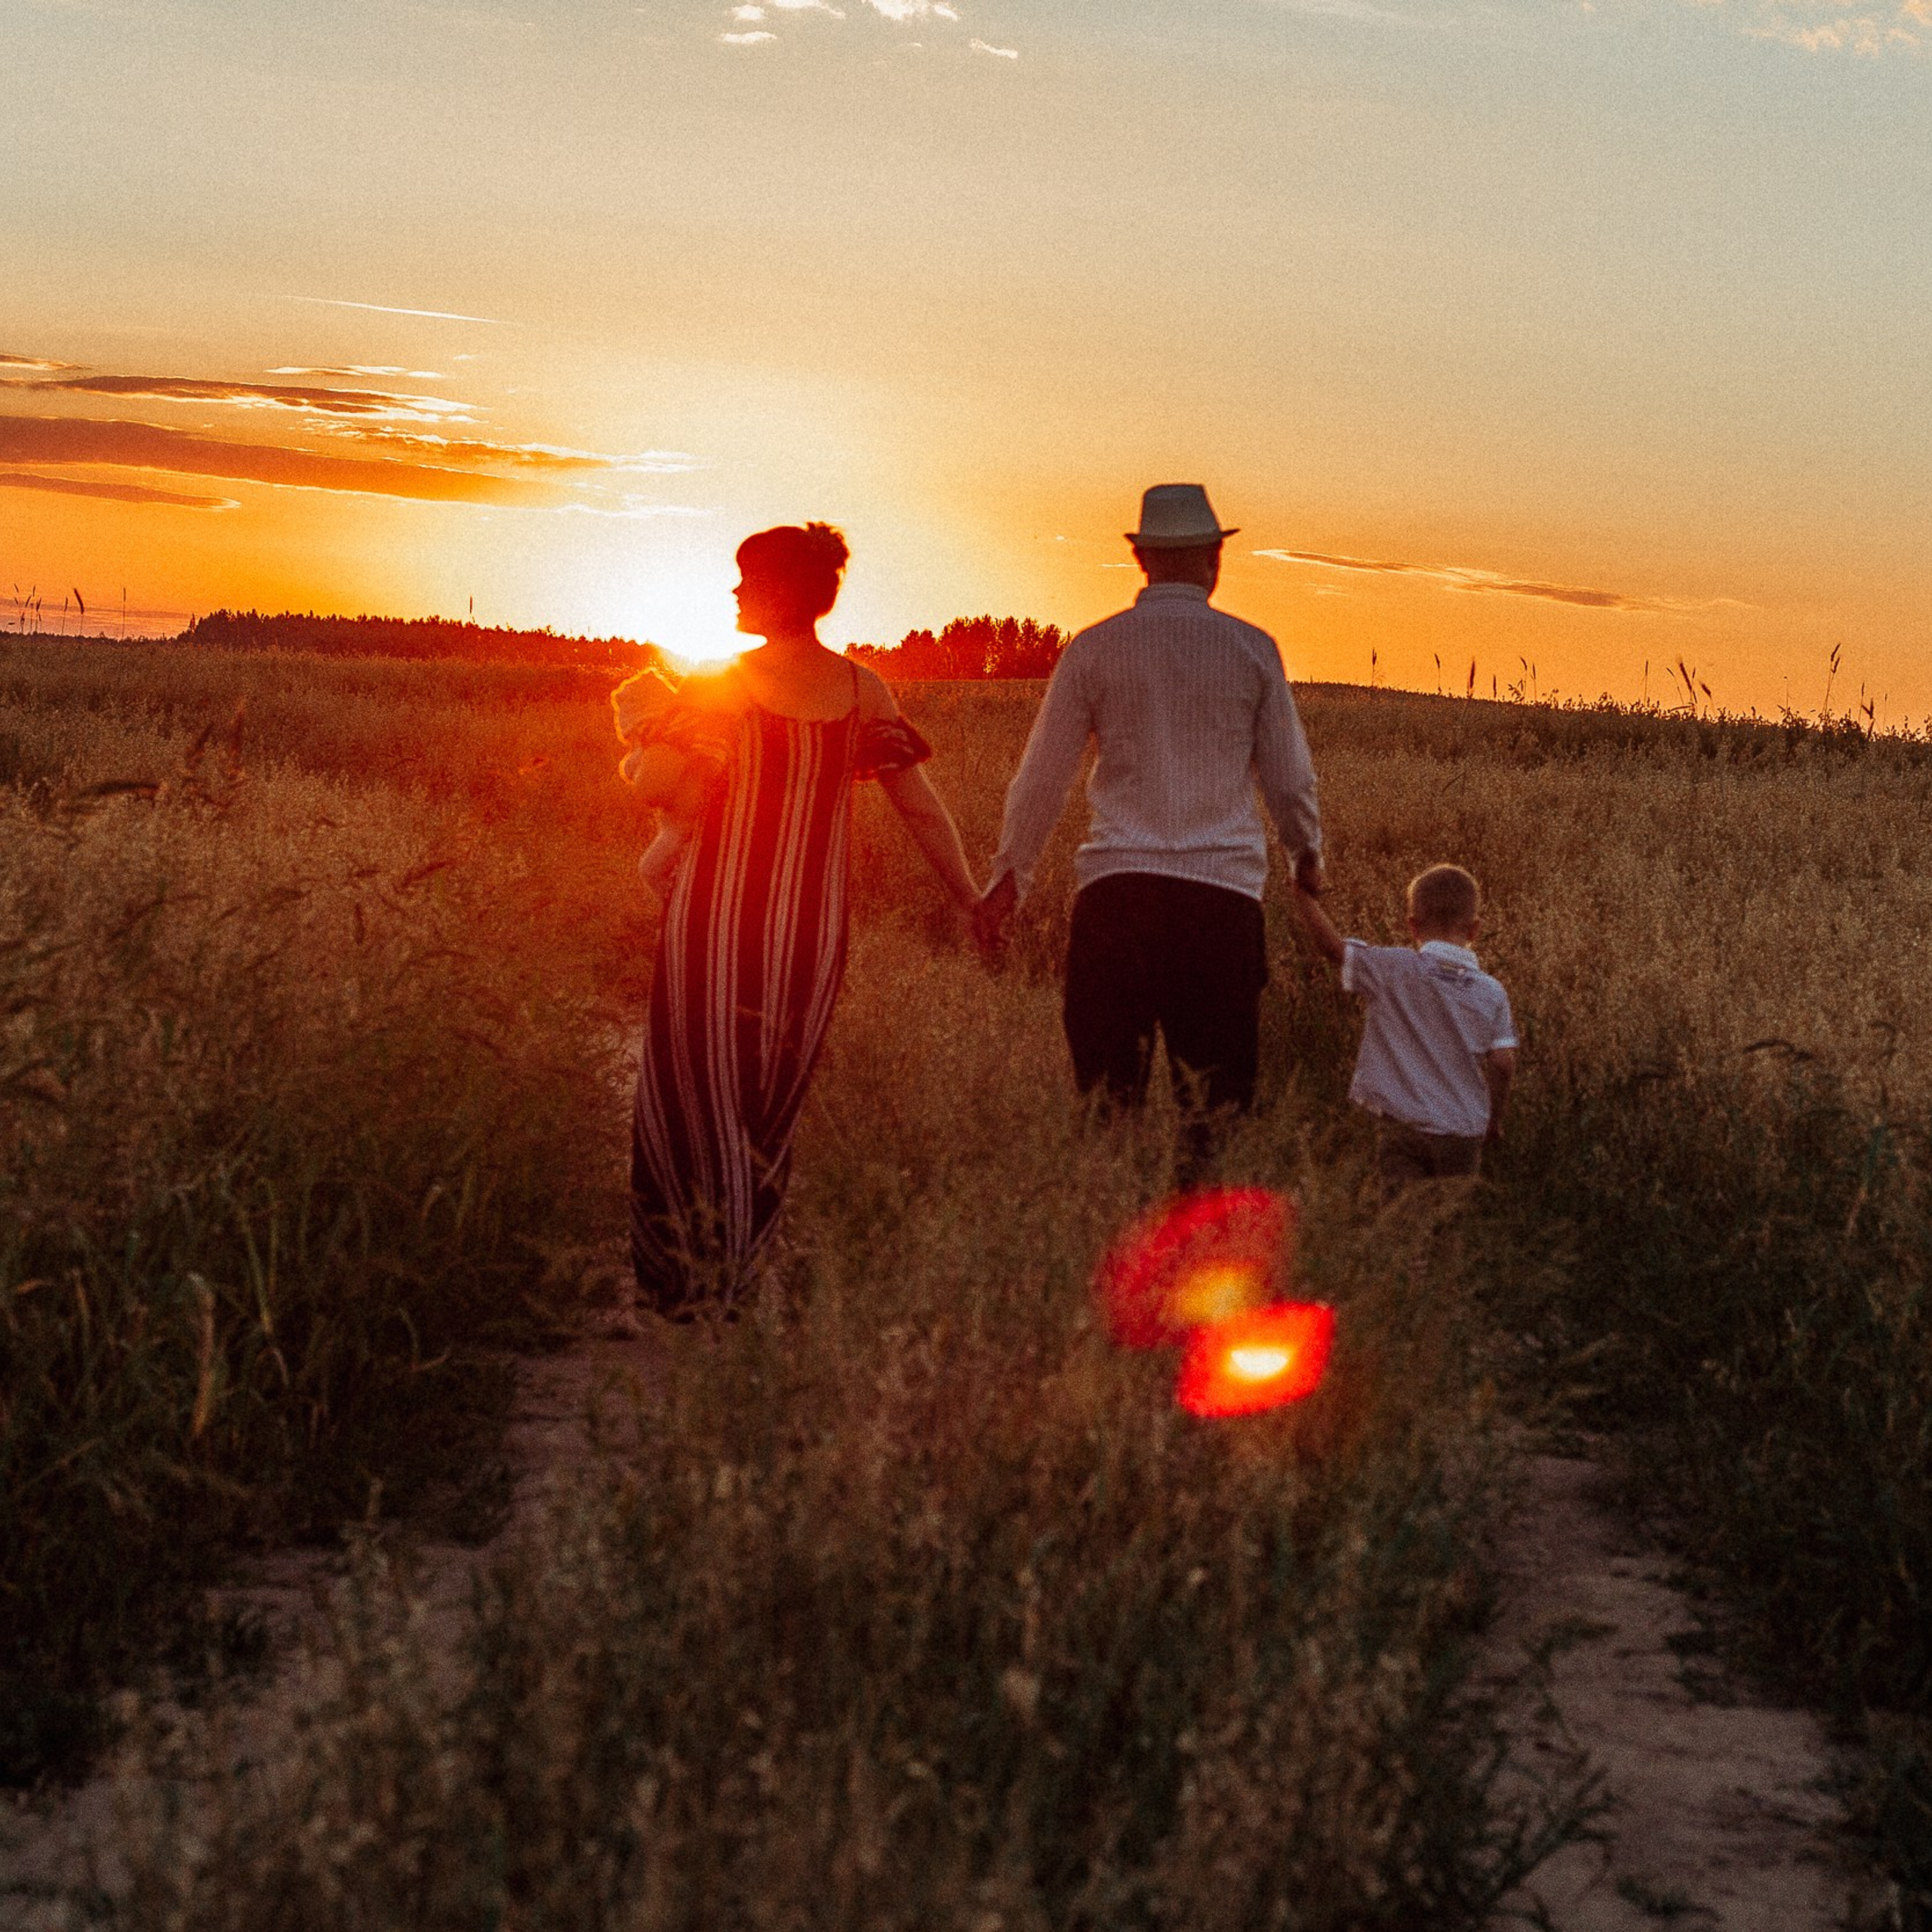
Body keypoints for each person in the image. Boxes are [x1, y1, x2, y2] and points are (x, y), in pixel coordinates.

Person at [620, 521, 981, 1315]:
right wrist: (968, 897)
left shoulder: (720, 684)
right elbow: (919, 808)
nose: (735, 593)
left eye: (745, 579)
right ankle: (736, 1274)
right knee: (767, 1106)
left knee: (694, 1087)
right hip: (812, 934)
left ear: (777, 589)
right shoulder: (862, 691)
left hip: (713, 920)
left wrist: (647, 733)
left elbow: (655, 787)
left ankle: (691, 1284)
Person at [974, 482, 1323, 1134]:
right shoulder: (1252, 649)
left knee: (1109, 1115)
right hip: (1221, 906)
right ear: (1213, 558)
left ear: (1142, 559)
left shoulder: (1094, 648)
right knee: (1215, 1120)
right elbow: (1289, 779)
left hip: (1116, 903)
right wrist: (1307, 856)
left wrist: (1007, 879)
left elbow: (1040, 779)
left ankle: (1113, 1221)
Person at [1292, 863, 1518, 1190]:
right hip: (1462, 1136)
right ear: (1475, 930)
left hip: (1400, 1129)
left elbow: (1333, 948)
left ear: (1412, 926)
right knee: (1443, 1228)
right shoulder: (1493, 992)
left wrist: (1303, 898)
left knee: (1398, 1223)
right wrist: (1493, 1122)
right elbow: (1503, 1063)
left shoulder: (1392, 969)